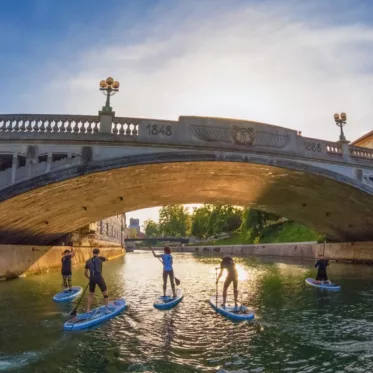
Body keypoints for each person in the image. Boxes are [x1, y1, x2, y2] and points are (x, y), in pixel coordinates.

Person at [84, 248, 109, 313]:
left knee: (90, 295)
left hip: (92, 279)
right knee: (105, 293)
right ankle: (106, 309)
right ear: (98, 253)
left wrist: (89, 278)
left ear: (93, 253)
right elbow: (107, 259)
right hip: (99, 278)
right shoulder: (100, 258)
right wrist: (102, 257)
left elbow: (85, 273)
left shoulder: (87, 261)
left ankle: (88, 310)